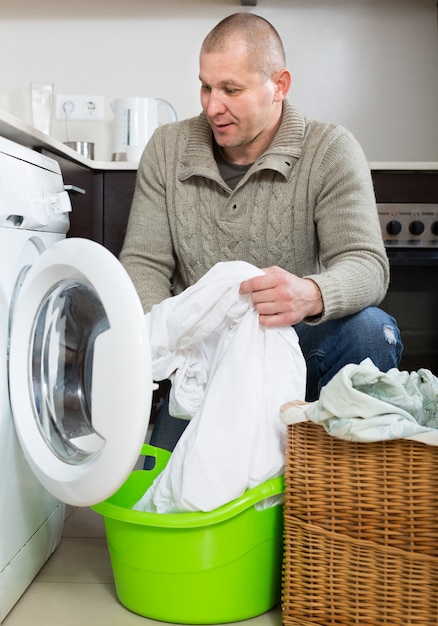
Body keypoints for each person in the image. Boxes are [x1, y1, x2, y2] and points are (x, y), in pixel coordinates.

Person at [119, 12, 403, 452]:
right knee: (171, 496)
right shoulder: (167, 148)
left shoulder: (330, 149)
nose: (212, 105)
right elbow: (143, 263)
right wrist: (172, 350)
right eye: (206, 86)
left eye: (231, 89)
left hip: (296, 346)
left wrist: (312, 293)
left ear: (280, 86)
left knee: (370, 330)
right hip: (202, 361)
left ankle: (331, 481)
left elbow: (367, 264)